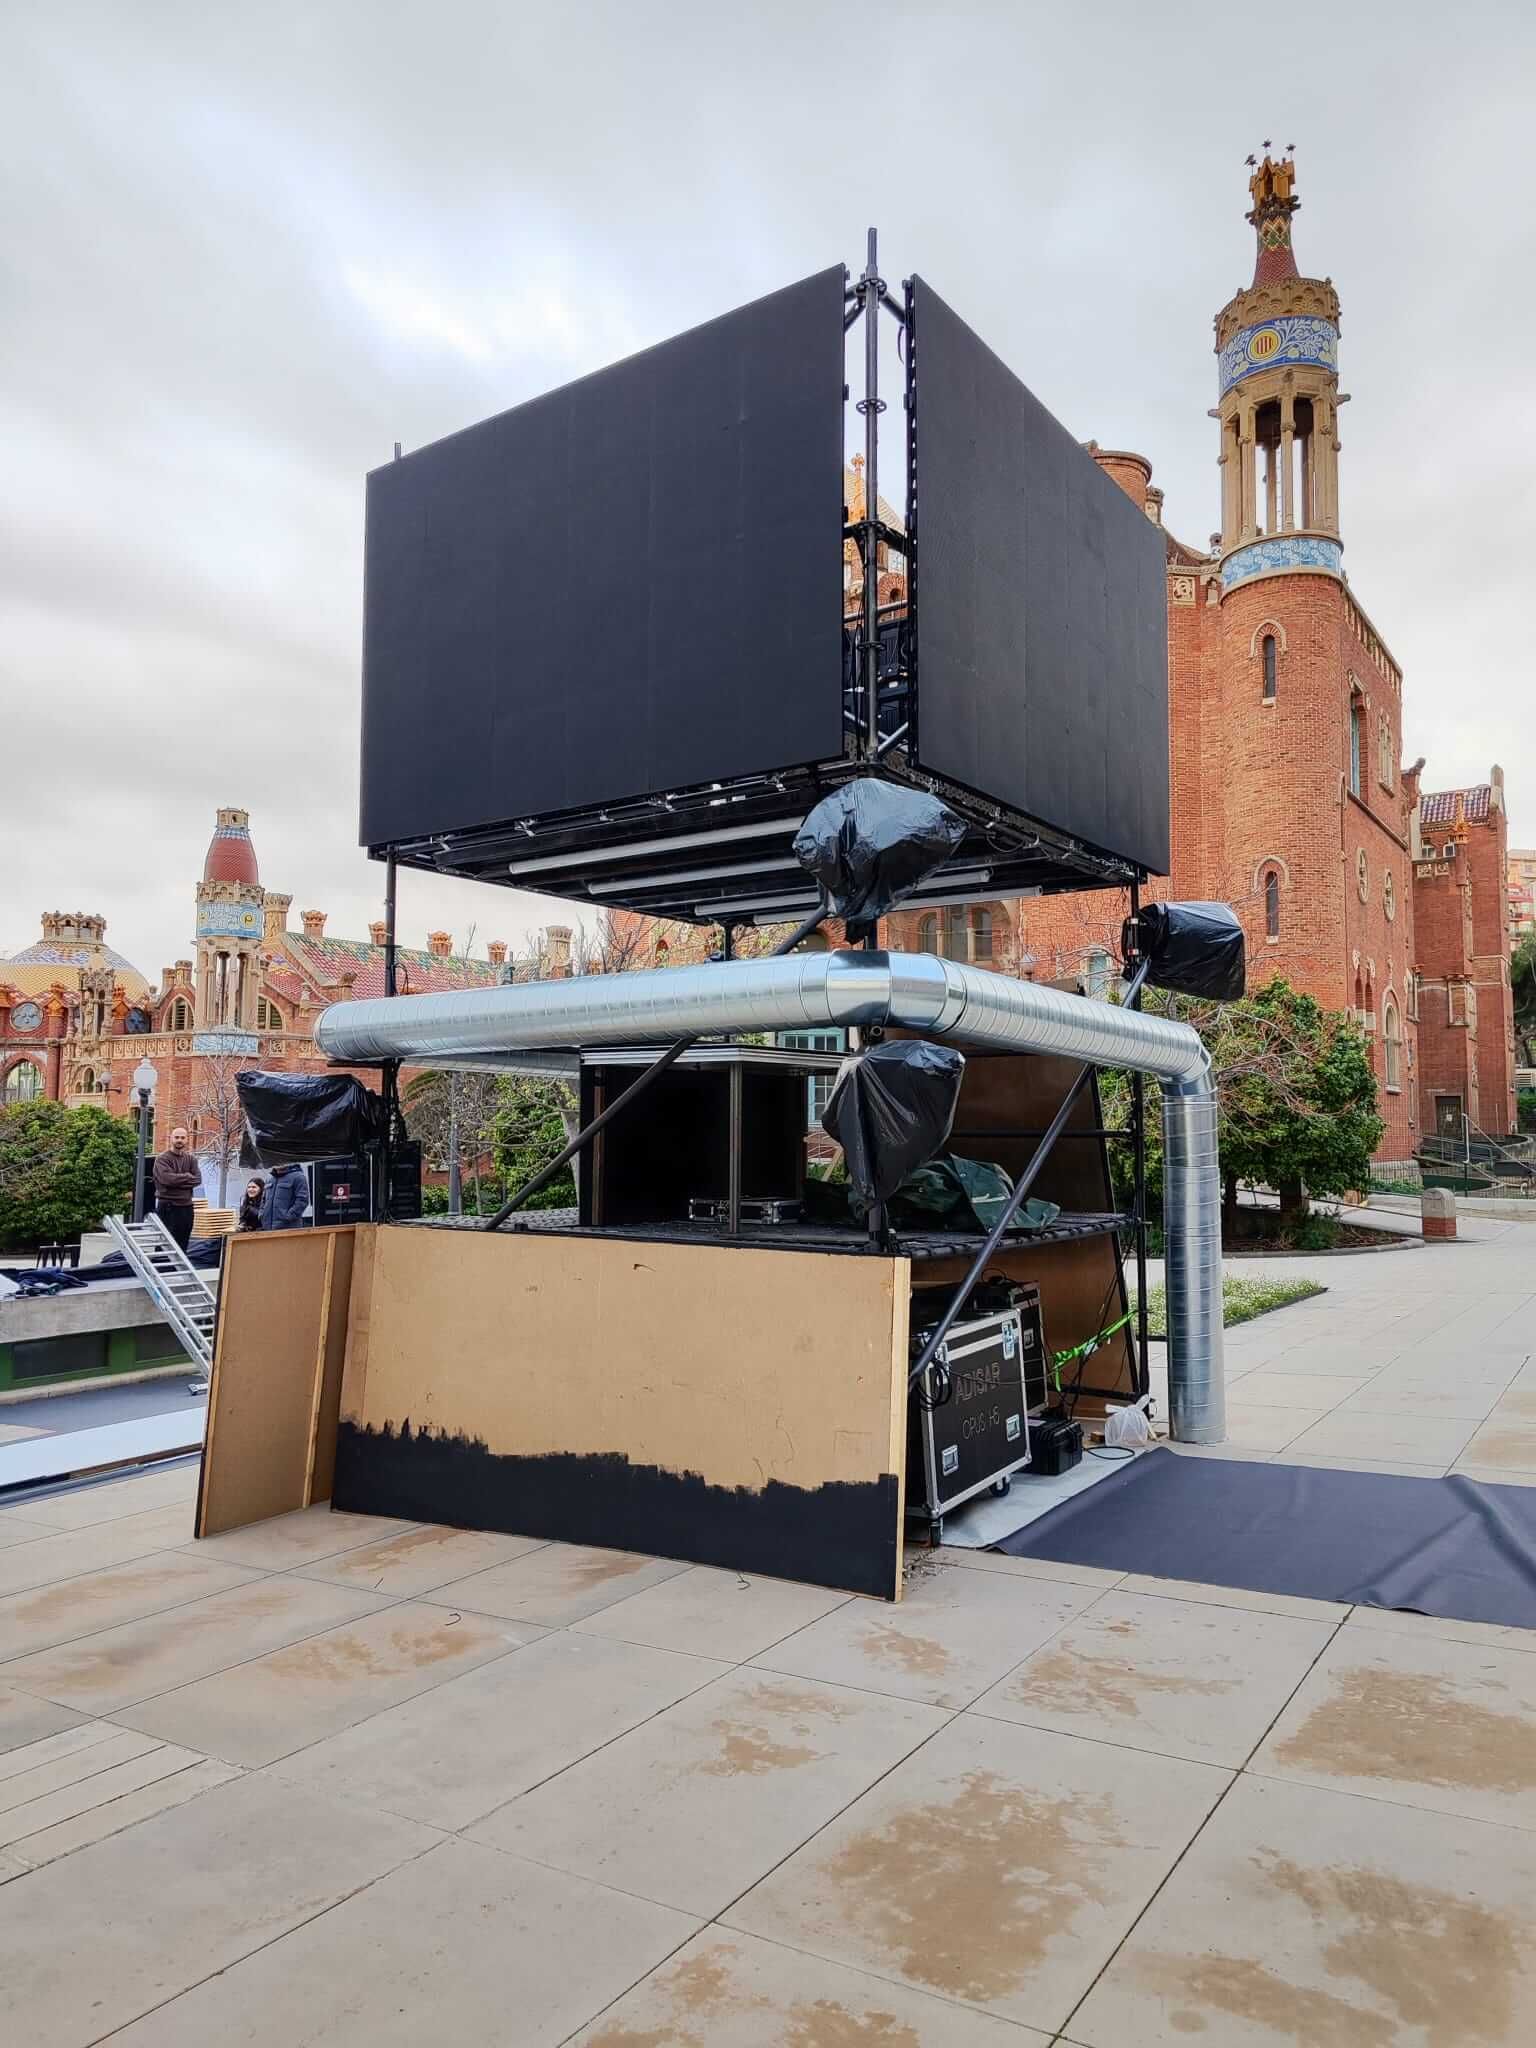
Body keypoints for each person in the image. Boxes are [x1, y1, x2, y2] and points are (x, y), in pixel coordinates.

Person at [151, 1126, 201, 1251]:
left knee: (183, 1242)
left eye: (183, 1137)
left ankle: (180, 1269)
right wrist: (187, 1176)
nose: (179, 1140)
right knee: (165, 1244)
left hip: (186, 1207)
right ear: (171, 1138)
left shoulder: (191, 1159)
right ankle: (162, 1269)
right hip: (168, 1207)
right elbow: (166, 1179)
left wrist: (176, 1182)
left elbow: (197, 1180)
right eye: (177, 1137)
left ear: (187, 1140)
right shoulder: (162, 1159)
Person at [259, 1161, 311, 1231]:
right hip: (267, 1228)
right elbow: (263, 1200)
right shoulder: (269, 1178)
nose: (277, 1161)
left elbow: (302, 1201)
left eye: (280, 1159)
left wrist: (288, 1217)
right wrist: (262, 1215)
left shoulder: (298, 1176)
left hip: (288, 1228)